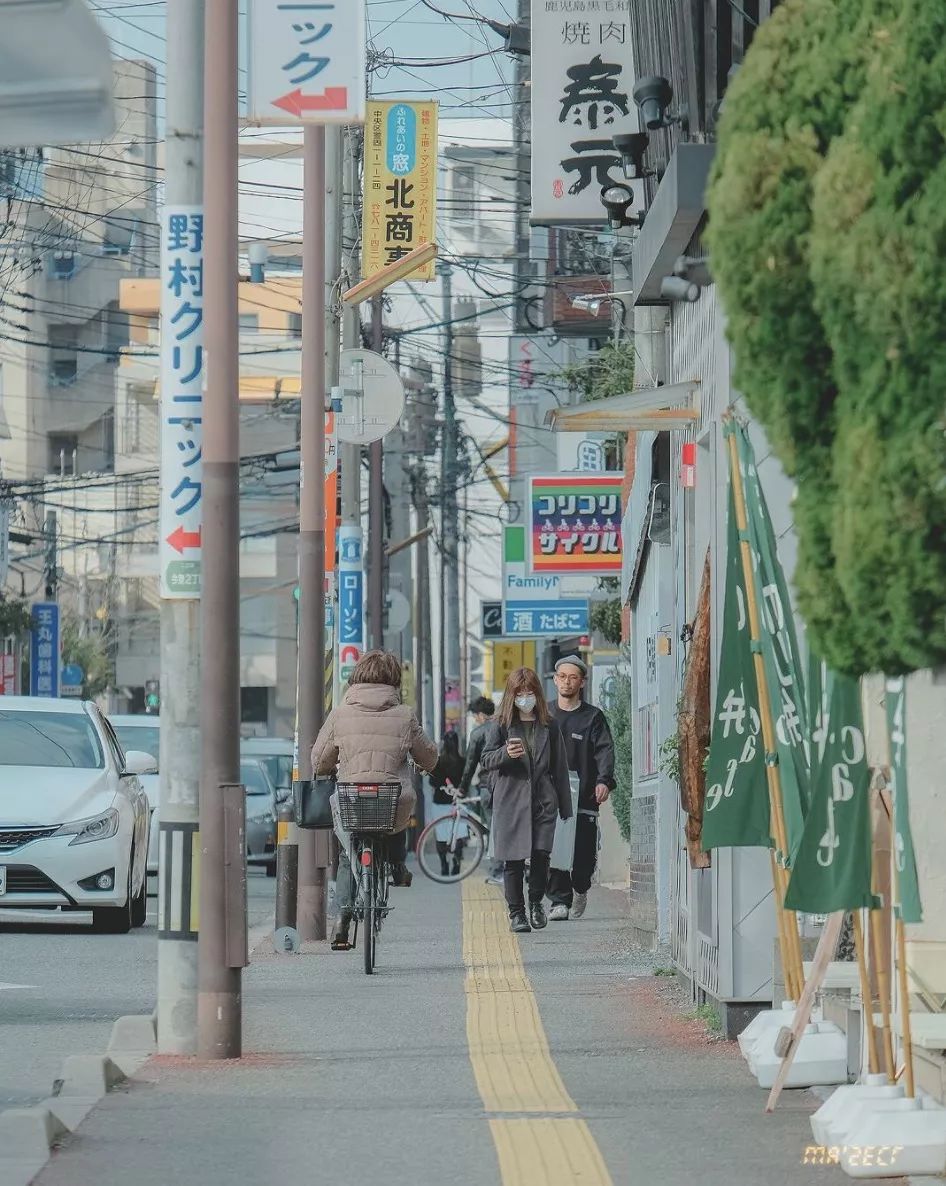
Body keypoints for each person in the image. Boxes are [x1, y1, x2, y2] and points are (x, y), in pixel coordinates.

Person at [311, 649, 438, 950]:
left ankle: (342, 918)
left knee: (347, 854)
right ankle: (396, 864)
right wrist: (426, 765)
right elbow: (429, 755)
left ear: (357, 677)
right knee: (397, 813)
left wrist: (331, 767)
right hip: (390, 799)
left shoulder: (340, 713)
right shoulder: (404, 715)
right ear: (394, 681)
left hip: (352, 797)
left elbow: (319, 760)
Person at [480, 667, 572, 934]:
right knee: (514, 859)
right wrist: (505, 753)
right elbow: (486, 759)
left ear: (537, 694)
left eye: (529, 693)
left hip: (543, 799)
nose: (524, 698)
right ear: (511, 695)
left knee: (541, 855)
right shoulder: (501, 724)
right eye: (519, 693)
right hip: (510, 799)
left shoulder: (549, 724)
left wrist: (565, 806)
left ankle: (535, 904)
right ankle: (517, 914)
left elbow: (560, 767)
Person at [546, 655, 616, 921]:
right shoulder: (546, 715)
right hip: (552, 797)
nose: (567, 682)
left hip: (585, 795)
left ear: (582, 682)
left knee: (583, 854)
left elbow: (604, 751)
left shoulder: (593, 717)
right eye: (562, 676)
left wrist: (603, 780)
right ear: (555, 680)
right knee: (555, 848)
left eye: (573, 677)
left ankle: (581, 888)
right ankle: (558, 902)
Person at [459, 696, 502, 881]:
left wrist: (462, 787)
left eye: (475, 716)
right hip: (510, 785)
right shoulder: (505, 726)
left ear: (481, 715)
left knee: (494, 827)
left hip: (488, 786)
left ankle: (498, 870)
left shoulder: (478, 733)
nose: (476, 720)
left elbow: (470, 765)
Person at [430, 731, 466, 876]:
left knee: (441, 836)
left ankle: (444, 865)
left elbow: (432, 782)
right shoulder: (463, 761)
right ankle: (456, 865)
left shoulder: (438, 762)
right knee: (458, 835)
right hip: (457, 802)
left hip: (439, 803)